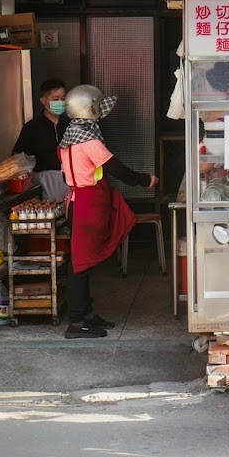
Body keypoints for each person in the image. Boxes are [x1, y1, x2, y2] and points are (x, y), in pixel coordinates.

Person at [59, 84, 158, 339]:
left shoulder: (70, 135)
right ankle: (77, 322)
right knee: (80, 265)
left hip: (77, 201)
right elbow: (116, 169)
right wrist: (144, 180)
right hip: (88, 204)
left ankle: (87, 315)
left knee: (82, 263)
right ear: (90, 110)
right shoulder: (89, 140)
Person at [13, 79, 70, 201]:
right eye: (55, 99)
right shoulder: (32, 127)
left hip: (71, 179)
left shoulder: (70, 124)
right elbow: (19, 157)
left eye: (63, 98)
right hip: (44, 181)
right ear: (43, 101)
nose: (60, 102)